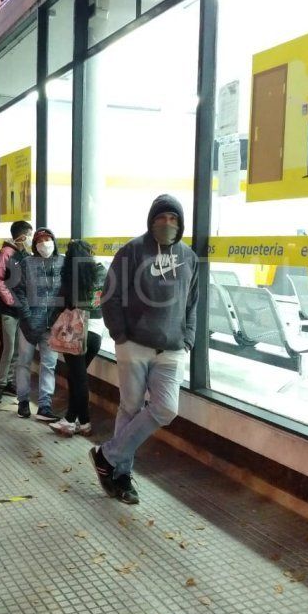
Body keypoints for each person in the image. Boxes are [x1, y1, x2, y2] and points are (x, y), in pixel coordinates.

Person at [89, 194, 198, 505]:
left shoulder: (189, 257)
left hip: (172, 349)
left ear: (181, 223)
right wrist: (120, 335)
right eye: (161, 218)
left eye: (173, 219)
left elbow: (193, 303)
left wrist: (188, 338)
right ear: (151, 221)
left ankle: (106, 456)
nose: (167, 223)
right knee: (131, 407)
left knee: (166, 408)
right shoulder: (133, 251)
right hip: (133, 345)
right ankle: (121, 477)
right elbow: (109, 295)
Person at [49, 240, 105, 436]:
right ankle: (84, 421)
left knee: (78, 378)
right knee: (77, 376)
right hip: (96, 332)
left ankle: (71, 419)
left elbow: (60, 303)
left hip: (75, 331)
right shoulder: (101, 272)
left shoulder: (70, 277)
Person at [12, 227, 64, 421]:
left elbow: (66, 291)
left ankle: (45, 405)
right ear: (34, 244)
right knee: (23, 363)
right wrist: (26, 316)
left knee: (49, 365)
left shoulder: (63, 262)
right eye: (40, 240)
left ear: (54, 241)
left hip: (53, 325)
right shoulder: (26, 263)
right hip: (29, 323)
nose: (44, 243)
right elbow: (18, 292)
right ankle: (23, 401)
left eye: (47, 239)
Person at [0, 220, 32, 404]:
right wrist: (11, 300)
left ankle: (9, 383)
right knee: (8, 348)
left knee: (16, 349)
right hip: (8, 310)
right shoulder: (6, 253)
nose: (31, 239)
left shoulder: (25, 255)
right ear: (22, 237)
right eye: (30, 235)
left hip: (21, 309)